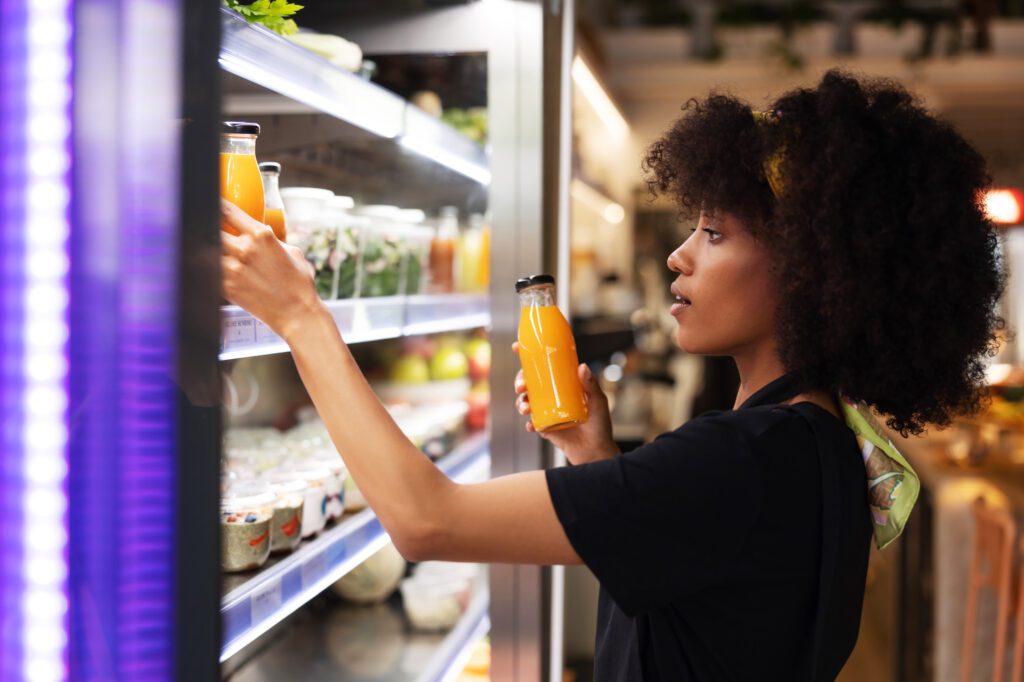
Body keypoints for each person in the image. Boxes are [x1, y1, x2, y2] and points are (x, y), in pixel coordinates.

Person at [219, 70, 1004, 680]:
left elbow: (427, 519)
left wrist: (302, 319)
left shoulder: (748, 458)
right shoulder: (813, 440)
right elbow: (696, 604)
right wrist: (597, 459)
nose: (679, 255)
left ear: (811, 271)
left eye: (715, 232)